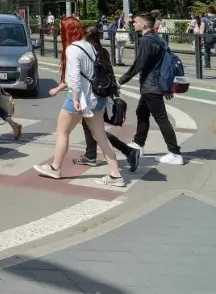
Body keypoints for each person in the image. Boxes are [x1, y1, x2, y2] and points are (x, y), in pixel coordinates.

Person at [35, 17, 126, 187]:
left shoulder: (72, 49)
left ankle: (55, 168)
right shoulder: (92, 47)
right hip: (97, 98)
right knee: (101, 136)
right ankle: (116, 175)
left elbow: (74, 78)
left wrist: (75, 98)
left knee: (62, 132)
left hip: (80, 98)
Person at [74, 25, 143, 173]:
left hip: (91, 95)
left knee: (96, 130)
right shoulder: (103, 51)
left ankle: (128, 152)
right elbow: (110, 73)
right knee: (91, 127)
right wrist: (115, 93)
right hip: (103, 94)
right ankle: (91, 155)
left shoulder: (87, 52)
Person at [119, 12, 184, 165]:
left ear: (144, 25)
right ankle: (138, 144)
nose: (133, 24)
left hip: (151, 86)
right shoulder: (157, 39)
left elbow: (139, 64)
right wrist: (166, 87)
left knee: (161, 119)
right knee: (141, 112)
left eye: (135, 22)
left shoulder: (146, 41)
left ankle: (175, 153)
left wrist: (122, 80)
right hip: (154, 85)